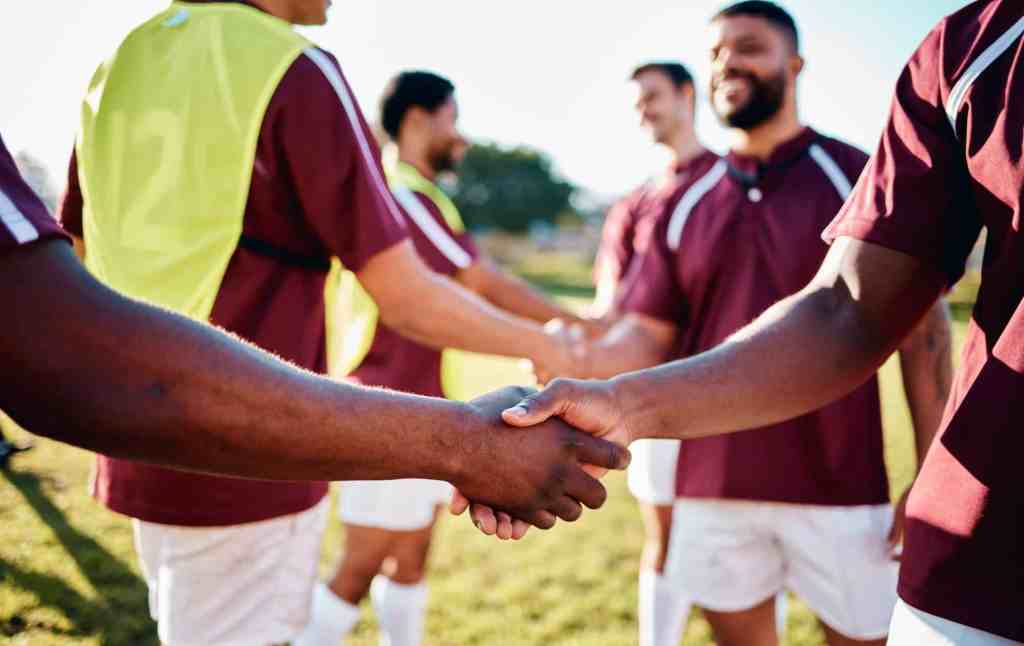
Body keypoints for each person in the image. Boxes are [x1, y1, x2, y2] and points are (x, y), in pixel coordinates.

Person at [55, 1, 604, 643]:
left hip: (136, 435)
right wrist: (541, 341)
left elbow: (75, 254)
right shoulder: (292, 65)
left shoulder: (119, 60)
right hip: (248, 441)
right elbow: (409, 295)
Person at [484, 0, 1023, 643]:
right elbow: (644, 333)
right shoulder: (682, 200)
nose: (727, 64)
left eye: (748, 47)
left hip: (840, 486)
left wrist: (929, 462)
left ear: (794, 63)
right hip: (712, 481)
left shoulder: (853, 169)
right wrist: (568, 366)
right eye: (714, 52)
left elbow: (922, 330)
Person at [297, 70, 592, 646]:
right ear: (416, 119)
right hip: (385, 405)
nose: (461, 137)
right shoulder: (399, 193)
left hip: (426, 408)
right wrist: (578, 329)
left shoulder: (427, 197)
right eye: (452, 119)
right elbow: (480, 279)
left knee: (411, 559)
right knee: (356, 569)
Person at [589, 60, 715, 646]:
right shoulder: (633, 204)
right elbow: (608, 310)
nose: (644, 109)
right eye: (635, 100)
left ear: (688, 95)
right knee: (665, 537)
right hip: (657, 399)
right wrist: (564, 351)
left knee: (741, 551)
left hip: (733, 394)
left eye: (654, 96)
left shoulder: (732, 181)